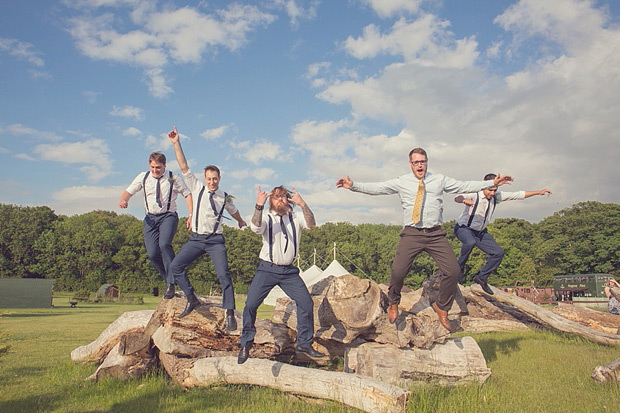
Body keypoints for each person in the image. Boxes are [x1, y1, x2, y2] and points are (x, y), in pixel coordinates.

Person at [335, 147, 513, 331]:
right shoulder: (402, 182)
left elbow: (464, 185)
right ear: (410, 163)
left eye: (423, 161)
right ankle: (394, 302)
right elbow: (378, 188)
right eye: (416, 162)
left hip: (435, 234)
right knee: (398, 272)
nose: (420, 165)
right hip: (412, 233)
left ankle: (442, 307)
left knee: (453, 271)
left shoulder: (439, 180)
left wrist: (492, 182)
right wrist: (353, 186)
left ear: (426, 162)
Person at [168, 127, 246, 327]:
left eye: (215, 179)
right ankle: (191, 298)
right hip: (196, 239)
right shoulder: (196, 186)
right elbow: (183, 165)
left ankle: (229, 312)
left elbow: (233, 210)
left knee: (223, 274)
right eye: (209, 179)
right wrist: (177, 143)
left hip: (215, 241)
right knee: (176, 266)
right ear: (205, 178)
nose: (212, 182)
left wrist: (240, 220)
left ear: (219, 179)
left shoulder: (224, 196)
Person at [237, 185, 325, 364]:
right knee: (251, 304)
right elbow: (255, 227)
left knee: (305, 303)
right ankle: (246, 343)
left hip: (288, 272)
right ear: (271, 200)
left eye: (283, 197)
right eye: (276, 197)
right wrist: (258, 206)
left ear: (288, 199)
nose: (280, 200)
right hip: (267, 269)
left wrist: (303, 204)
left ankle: (304, 344)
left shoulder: (295, 217)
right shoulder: (267, 217)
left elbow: (312, 224)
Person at [454, 174, 551, 295]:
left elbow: (517, 195)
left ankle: (481, 277)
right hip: (463, 228)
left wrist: (538, 192)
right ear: (484, 186)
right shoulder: (475, 194)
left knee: (498, 253)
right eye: (490, 190)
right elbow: (458, 197)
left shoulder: (496, 197)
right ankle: (459, 268)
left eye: (495, 190)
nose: (492, 193)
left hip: (480, 233)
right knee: (470, 242)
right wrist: (464, 200)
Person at [119, 152, 192, 299]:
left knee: (164, 244)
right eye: (152, 167)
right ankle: (169, 278)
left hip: (168, 216)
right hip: (150, 218)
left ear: (164, 165)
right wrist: (123, 200)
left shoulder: (173, 177)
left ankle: (171, 284)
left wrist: (191, 215)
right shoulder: (143, 177)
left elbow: (187, 194)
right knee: (152, 253)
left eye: (158, 168)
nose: (155, 171)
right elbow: (128, 191)